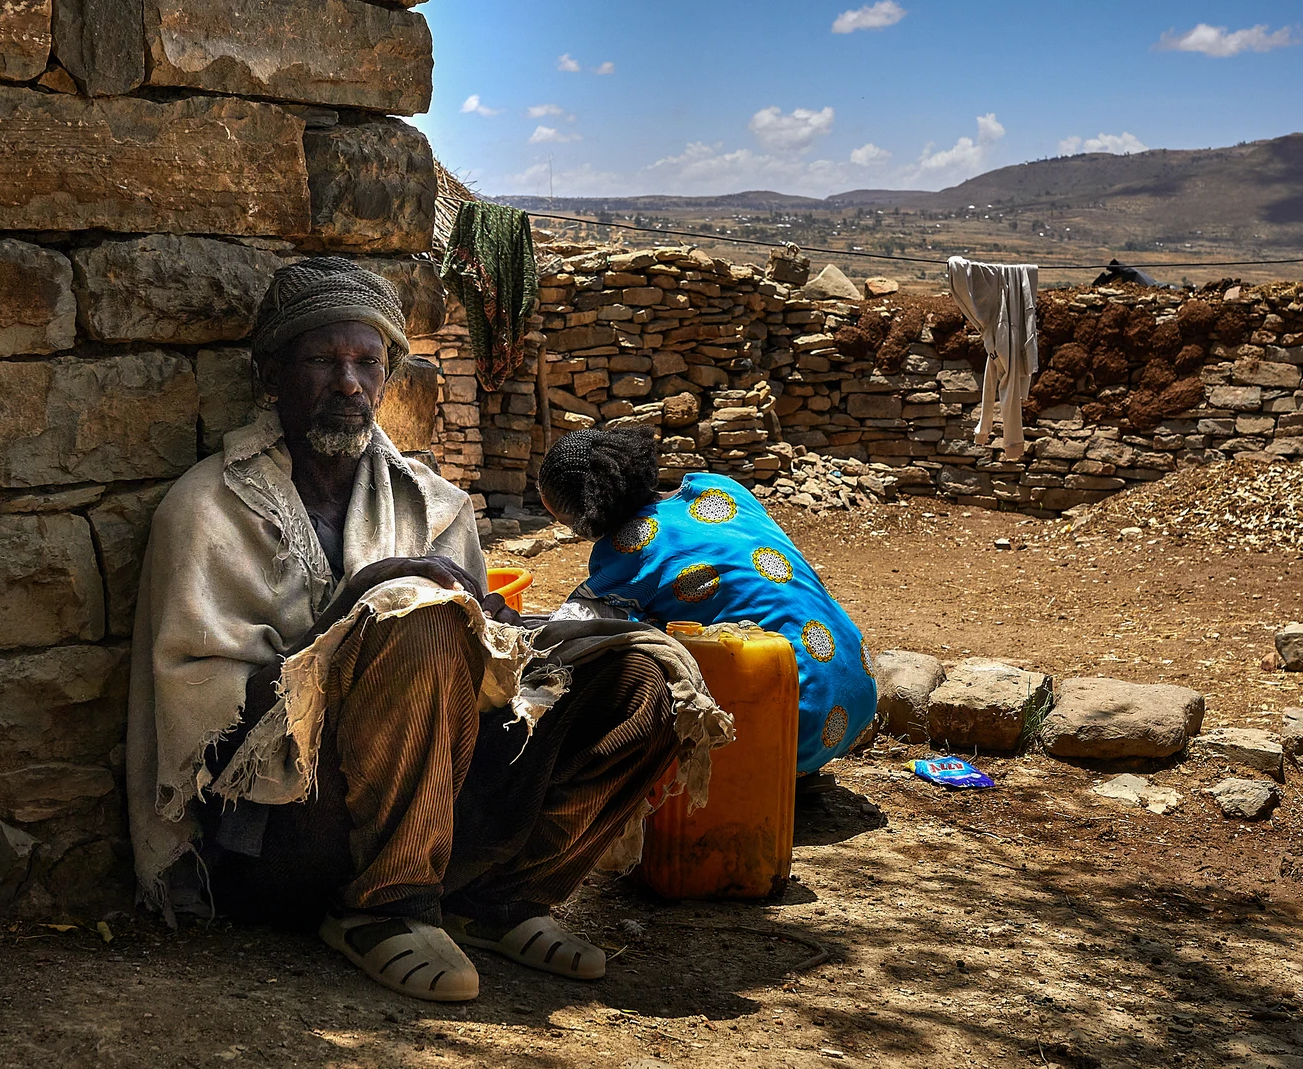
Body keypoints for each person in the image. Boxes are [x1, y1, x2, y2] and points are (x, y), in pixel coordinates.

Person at [124, 258, 688, 1003]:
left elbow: (479, 691)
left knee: (647, 674)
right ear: (270, 376)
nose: (349, 382)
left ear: (388, 377)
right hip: (284, 839)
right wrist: (365, 600)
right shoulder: (204, 513)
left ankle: (498, 900)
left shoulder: (436, 506)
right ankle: (382, 907)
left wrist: (521, 643)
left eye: (368, 361)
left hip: (436, 809)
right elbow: (204, 736)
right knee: (417, 618)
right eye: (323, 359)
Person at [538, 427, 877, 774]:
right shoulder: (718, 487)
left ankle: (767, 775)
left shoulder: (625, 551)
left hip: (795, 725)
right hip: (857, 687)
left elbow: (570, 631)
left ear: (584, 517)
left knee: (626, 657)